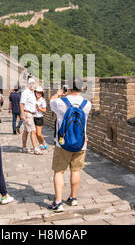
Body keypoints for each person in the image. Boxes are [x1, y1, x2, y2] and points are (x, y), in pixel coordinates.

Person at [48, 79, 92, 212]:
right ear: (81, 89)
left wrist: (59, 93)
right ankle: (73, 198)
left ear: (69, 88)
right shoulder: (87, 104)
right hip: (81, 143)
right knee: (76, 170)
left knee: (59, 171)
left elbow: (50, 101)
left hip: (63, 143)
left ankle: (58, 202)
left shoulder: (60, 102)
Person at [20, 78, 42, 155]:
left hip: (31, 114)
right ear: (28, 84)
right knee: (33, 131)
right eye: (31, 83)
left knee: (26, 131)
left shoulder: (33, 93)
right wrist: (22, 114)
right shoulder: (25, 92)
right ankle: (36, 148)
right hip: (27, 114)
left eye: (33, 83)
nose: (32, 85)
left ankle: (24, 147)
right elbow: (21, 104)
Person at [34, 86, 48, 151]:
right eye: (37, 92)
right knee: (36, 132)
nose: (38, 94)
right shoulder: (33, 98)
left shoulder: (42, 100)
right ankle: (40, 145)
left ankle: (44, 142)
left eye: (40, 93)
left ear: (42, 93)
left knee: (39, 133)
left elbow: (45, 110)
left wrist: (39, 108)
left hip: (39, 117)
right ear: (35, 92)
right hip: (33, 117)